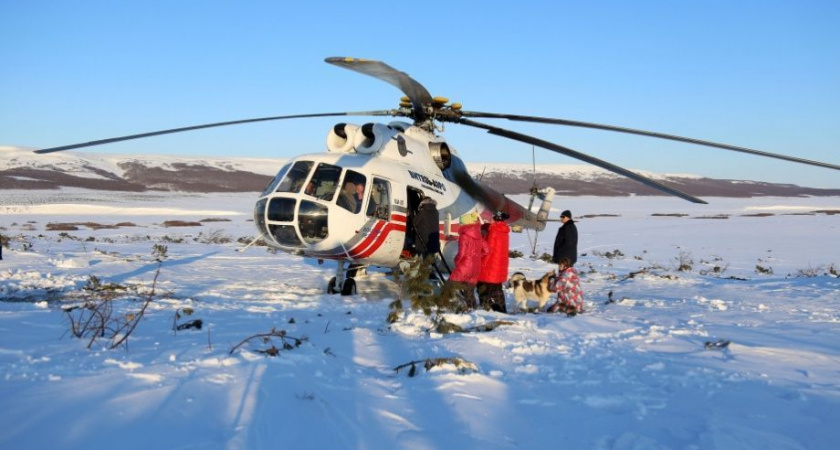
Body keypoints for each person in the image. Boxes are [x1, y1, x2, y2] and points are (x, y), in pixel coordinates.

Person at [441, 212, 486, 311]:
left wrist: (456, 260)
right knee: (469, 292)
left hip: (465, 266)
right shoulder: (479, 235)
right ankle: (473, 309)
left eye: (461, 222)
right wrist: (477, 256)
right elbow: (487, 250)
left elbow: (462, 253)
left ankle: (442, 306)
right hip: (476, 267)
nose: (460, 224)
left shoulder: (464, 236)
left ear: (465, 223)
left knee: (448, 286)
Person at [477, 211, 510, 313]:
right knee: (496, 289)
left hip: (490, 265)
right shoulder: (503, 229)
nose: (489, 219)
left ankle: (486, 309)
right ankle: (501, 311)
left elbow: (488, 250)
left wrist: (482, 263)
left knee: (482, 287)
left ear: (496, 219)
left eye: (492, 218)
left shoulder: (494, 231)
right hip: (499, 265)